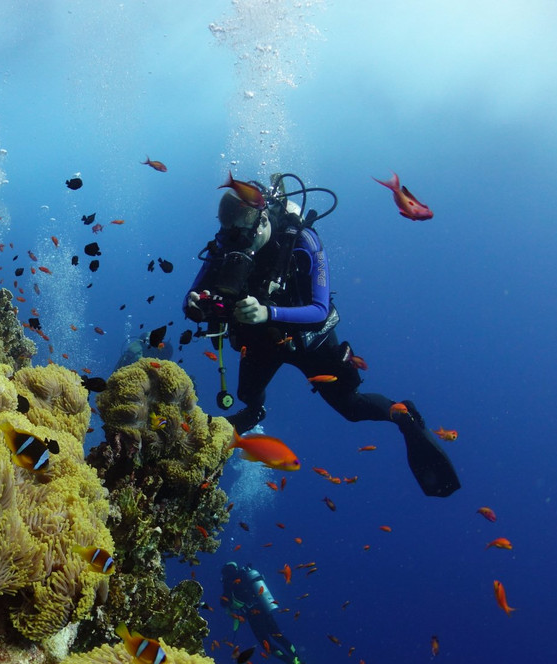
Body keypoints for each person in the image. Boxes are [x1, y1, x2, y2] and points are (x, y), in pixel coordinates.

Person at [183, 172, 459, 497]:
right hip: (261, 340)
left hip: (309, 340)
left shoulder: (302, 241)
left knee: (351, 409)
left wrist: (267, 312)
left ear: (260, 223)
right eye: (230, 237)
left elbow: (318, 309)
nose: (237, 245)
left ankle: (404, 416)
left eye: (243, 237)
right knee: (247, 395)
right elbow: (193, 294)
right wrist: (195, 306)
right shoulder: (225, 243)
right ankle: (256, 412)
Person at [221, 561, 315, 664]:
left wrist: (225, 601)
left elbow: (228, 602)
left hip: (254, 615)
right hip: (264, 609)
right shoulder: (246, 574)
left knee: (267, 645)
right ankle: (298, 660)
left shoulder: (230, 581)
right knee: (278, 636)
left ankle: (290, 662)